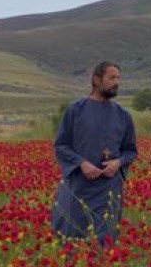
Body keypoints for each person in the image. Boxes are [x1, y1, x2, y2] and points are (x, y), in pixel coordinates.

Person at [51, 61, 137, 244]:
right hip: (79, 186)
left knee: (105, 241)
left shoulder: (123, 115)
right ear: (96, 80)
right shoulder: (75, 110)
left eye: (118, 78)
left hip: (109, 188)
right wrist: (81, 163)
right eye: (111, 78)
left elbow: (130, 151)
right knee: (72, 238)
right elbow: (61, 145)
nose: (117, 82)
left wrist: (117, 163)